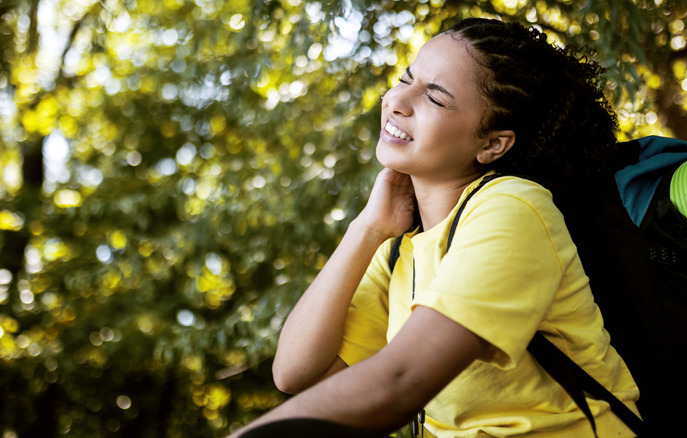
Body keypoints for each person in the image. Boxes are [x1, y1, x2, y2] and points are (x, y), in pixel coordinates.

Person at [230, 17, 640, 438]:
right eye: (406, 78)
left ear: (491, 144)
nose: (397, 101)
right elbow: (297, 373)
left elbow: (400, 382)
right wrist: (367, 228)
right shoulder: (400, 247)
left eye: (435, 98)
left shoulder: (513, 207)